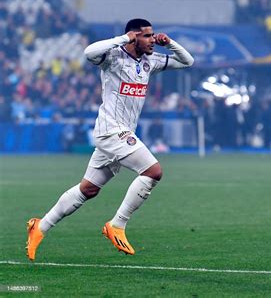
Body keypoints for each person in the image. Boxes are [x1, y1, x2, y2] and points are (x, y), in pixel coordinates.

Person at [26, 18, 194, 260]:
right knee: (153, 171)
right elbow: (88, 53)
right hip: (111, 131)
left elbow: (188, 61)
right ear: (133, 36)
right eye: (147, 36)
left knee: (88, 189)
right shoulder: (113, 56)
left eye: (153, 35)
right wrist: (122, 39)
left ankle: (39, 227)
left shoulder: (150, 61)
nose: (152, 40)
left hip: (122, 133)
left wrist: (170, 43)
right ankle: (117, 224)